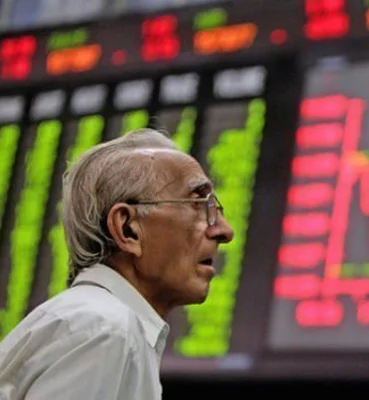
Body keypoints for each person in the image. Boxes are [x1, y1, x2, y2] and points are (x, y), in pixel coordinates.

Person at [0, 128, 234, 399]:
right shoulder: (104, 330)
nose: (225, 231)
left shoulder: (104, 324)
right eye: (199, 204)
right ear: (128, 229)